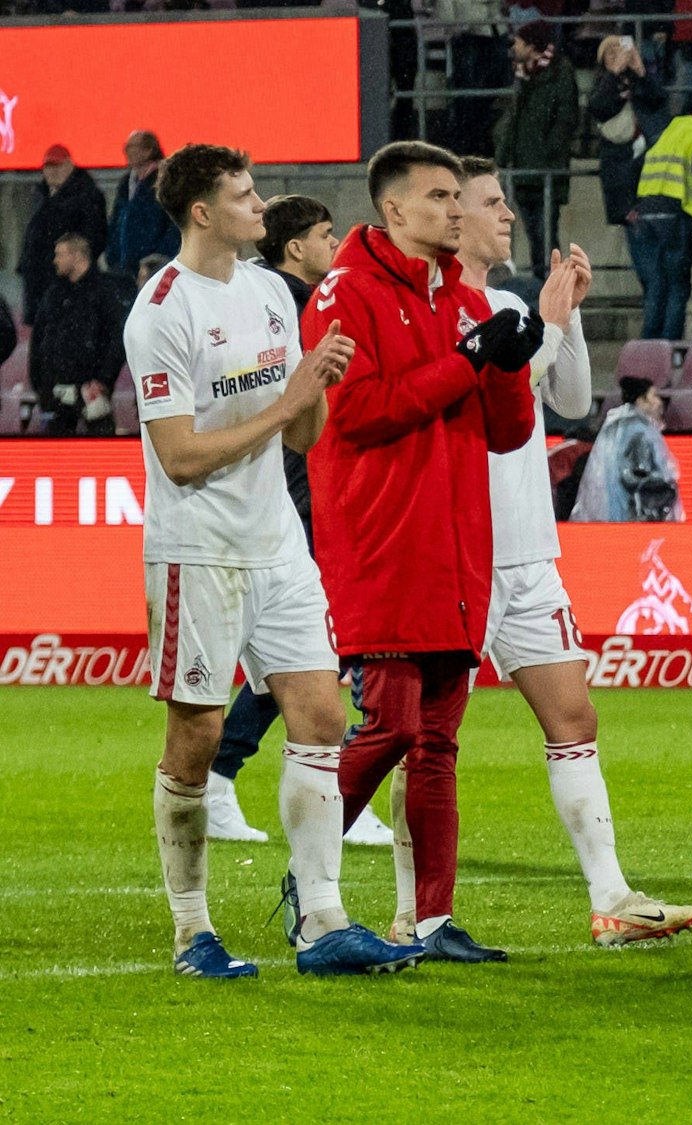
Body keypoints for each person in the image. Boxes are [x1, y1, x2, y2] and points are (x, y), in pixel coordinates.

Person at [375, 156, 692, 947]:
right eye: (486, 202)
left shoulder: (507, 303)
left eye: (495, 201)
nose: (501, 215)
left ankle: (611, 897)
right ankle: (406, 909)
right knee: (421, 739)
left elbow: (567, 399)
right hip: (456, 555)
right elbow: (492, 393)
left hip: (526, 553)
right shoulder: (442, 307)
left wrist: (567, 314)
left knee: (573, 714)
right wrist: (547, 324)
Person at [128, 142, 422, 977]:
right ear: (202, 212)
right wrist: (292, 396)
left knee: (323, 720)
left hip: (278, 545)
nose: (263, 206)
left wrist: (317, 383)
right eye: (246, 195)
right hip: (200, 549)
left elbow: (302, 432)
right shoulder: (160, 312)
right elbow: (181, 456)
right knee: (199, 732)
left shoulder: (269, 292)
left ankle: (322, 919)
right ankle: (192, 931)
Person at [303, 141, 542, 964]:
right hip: (381, 541)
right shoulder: (346, 292)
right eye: (439, 196)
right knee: (391, 723)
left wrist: (505, 366)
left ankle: (434, 922)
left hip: (455, 549)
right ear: (394, 210)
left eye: (456, 196)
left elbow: (509, 434)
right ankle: (310, 873)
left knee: (436, 741)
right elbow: (359, 411)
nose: (455, 209)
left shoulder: (463, 303)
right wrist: (466, 361)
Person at [204, 194, 397, 848]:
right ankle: (343, 788)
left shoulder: (281, 299)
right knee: (327, 646)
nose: (335, 242)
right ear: (295, 248)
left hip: (296, 491)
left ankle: (219, 775)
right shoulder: (291, 304)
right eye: (325, 233)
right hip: (306, 492)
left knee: (294, 655)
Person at [632, 95, 692, 339]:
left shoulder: (671, 129)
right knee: (678, 286)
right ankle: (671, 348)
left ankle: (649, 347)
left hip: (647, 212)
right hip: (675, 214)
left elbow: (638, 165)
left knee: (656, 285)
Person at [493, 19, 579, 272]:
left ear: (532, 46)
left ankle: (551, 289)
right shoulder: (521, 74)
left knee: (546, 236)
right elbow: (515, 119)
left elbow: (566, 118)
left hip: (546, 170)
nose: (514, 48)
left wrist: (548, 152)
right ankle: (541, 288)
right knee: (534, 235)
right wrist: (505, 150)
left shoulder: (559, 71)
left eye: (518, 43)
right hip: (523, 170)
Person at [589, 34, 669, 297]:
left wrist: (640, 70)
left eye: (620, 51)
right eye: (609, 54)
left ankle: (657, 323)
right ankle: (652, 320)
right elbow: (598, 107)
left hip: (653, 177)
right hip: (624, 184)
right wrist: (613, 73)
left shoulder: (639, 84)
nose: (618, 56)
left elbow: (658, 99)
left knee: (662, 266)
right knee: (646, 266)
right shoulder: (604, 85)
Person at [28, 234, 126, 436]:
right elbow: (38, 339)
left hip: (91, 391)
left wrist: (103, 380)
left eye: (60, 255)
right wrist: (40, 383)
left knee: (103, 453)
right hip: (54, 392)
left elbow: (117, 338)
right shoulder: (54, 293)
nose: (55, 261)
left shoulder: (104, 292)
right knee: (56, 458)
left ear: (77, 256)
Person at [572, 377, 685, 522]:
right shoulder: (641, 430)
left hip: (609, 513)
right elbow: (638, 475)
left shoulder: (614, 424)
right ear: (641, 400)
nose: (659, 402)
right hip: (633, 515)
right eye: (654, 396)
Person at [19, 144, 107, 329]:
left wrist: (73, 268)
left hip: (65, 282)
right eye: (49, 167)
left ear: (70, 166)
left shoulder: (87, 195)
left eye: (58, 166)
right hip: (40, 281)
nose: (53, 172)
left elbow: (95, 237)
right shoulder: (42, 194)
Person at [108, 130, 180, 279]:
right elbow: (115, 221)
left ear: (149, 150)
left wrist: (159, 256)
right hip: (124, 267)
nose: (127, 152)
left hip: (153, 267)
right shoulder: (125, 183)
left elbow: (175, 223)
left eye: (132, 147)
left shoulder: (166, 180)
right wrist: (112, 255)